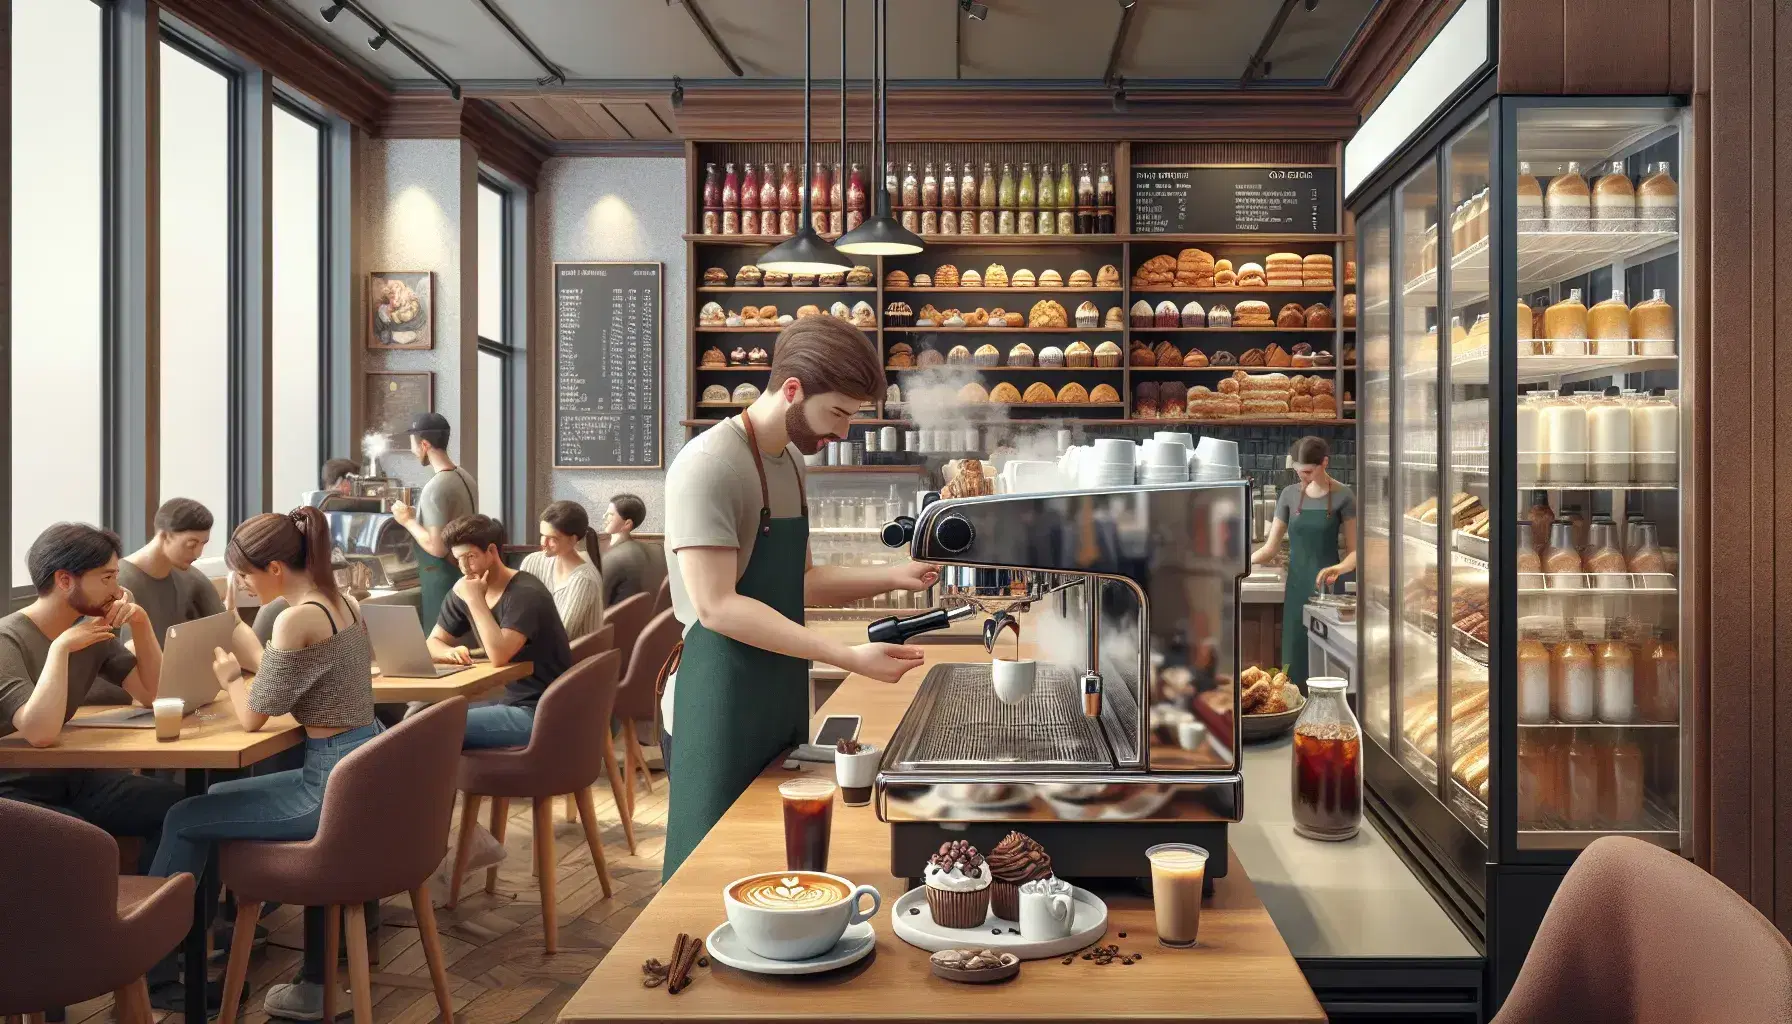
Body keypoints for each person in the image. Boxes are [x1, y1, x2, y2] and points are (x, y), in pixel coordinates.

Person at [659, 316, 935, 880]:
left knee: (772, 856)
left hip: (777, 686)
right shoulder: (709, 464)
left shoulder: (789, 462)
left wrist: (895, 575)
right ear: (792, 390)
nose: (843, 432)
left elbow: (799, 582)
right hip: (720, 692)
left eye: (853, 417)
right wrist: (851, 657)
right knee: (708, 869)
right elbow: (717, 606)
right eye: (837, 413)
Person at [146, 506, 379, 1020]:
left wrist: (229, 676)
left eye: (246, 573)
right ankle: (180, 954)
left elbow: (252, 719)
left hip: (327, 787)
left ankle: (147, 963)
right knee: (208, 801)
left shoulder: (297, 617)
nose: (242, 583)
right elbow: (306, 678)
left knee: (184, 817)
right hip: (358, 767)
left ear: (275, 569)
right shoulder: (345, 603)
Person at [0, 523, 179, 859]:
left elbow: (154, 695)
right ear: (64, 580)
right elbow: (39, 732)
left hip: (73, 776)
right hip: (12, 790)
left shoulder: (91, 631)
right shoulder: (6, 640)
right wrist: (60, 649)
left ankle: (163, 909)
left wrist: (140, 622)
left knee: (179, 809)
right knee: (86, 842)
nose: (117, 588)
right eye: (107, 577)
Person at [427, 514, 572, 749]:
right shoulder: (465, 589)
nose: (464, 568)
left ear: (492, 551)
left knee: (433, 727)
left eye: (470, 557)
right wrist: (448, 652)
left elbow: (499, 655)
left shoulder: (525, 593)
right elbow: (432, 642)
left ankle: (440, 787)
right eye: (458, 560)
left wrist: (475, 600)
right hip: (508, 701)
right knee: (418, 719)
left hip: (541, 711)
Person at [1250, 436, 1358, 690]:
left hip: (1329, 591)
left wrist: (1340, 568)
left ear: (1324, 463)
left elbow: (1356, 553)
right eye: (1299, 472)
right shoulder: (1288, 495)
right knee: (1294, 664)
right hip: (1297, 589)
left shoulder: (1343, 495)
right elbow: (1269, 549)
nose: (1303, 478)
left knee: (1328, 665)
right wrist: (1238, 565)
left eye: (1308, 472)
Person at [120, 497, 261, 668]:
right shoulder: (118, 581)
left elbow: (229, 625)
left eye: (203, 544)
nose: (198, 553)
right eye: (191, 544)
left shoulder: (192, 578)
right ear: (165, 535)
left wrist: (265, 667)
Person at [390, 413, 477, 632]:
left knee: (443, 648)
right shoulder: (465, 476)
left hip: (442, 582)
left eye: (414, 445)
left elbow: (437, 547)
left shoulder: (435, 488)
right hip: (465, 574)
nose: (412, 451)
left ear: (425, 444)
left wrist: (407, 521)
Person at [519, 500, 606, 640]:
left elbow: (561, 636)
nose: (543, 543)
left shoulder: (584, 580)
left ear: (573, 540)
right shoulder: (532, 562)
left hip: (575, 658)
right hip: (542, 650)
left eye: (552, 538)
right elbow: (518, 612)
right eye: (542, 535)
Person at [598, 493, 652, 605]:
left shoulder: (617, 556)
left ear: (627, 524)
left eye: (610, 515)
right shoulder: (637, 550)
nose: (604, 517)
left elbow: (600, 598)